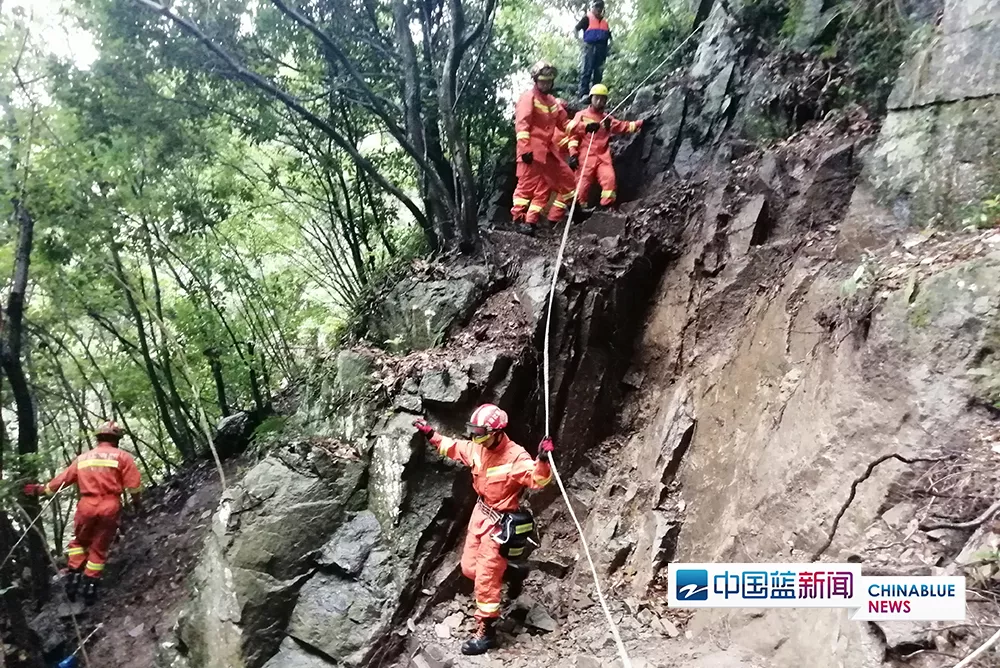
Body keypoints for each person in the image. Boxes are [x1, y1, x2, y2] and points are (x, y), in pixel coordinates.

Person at [414, 404, 554, 655]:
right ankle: (513, 571)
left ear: (498, 432)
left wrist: (542, 460)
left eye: (482, 433)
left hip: (500, 524)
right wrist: (430, 434)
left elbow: (538, 480)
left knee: (485, 578)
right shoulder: (477, 448)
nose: (476, 438)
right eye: (474, 432)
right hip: (480, 516)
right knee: (469, 568)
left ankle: (486, 632)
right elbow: (454, 447)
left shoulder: (515, 456)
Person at [23, 420, 142, 605]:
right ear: (116, 438)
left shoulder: (83, 458)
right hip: (110, 506)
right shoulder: (123, 457)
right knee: (99, 546)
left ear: (98, 437)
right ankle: (90, 586)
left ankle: (73, 577)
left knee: (79, 542)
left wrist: (40, 490)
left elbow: (61, 481)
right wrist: (137, 506)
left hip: (86, 505)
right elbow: (133, 486)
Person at [510, 61, 577, 236]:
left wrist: (586, 127)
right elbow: (522, 125)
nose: (546, 84)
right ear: (536, 80)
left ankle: (576, 211)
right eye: (543, 80)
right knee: (526, 186)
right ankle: (518, 220)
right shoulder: (528, 97)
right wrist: (524, 150)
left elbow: (565, 123)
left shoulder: (553, 102)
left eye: (549, 81)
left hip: (548, 152)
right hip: (531, 152)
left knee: (567, 176)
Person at [566, 83, 643, 209]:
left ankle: (606, 207)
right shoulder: (581, 115)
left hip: (603, 157)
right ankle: (579, 212)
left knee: (609, 180)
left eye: (602, 98)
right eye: (597, 97)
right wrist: (573, 154)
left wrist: (641, 123)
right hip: (586, 155)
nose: (599, 101)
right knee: (582, 184)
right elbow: (573, 136)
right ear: (591, 98)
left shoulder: (607, 119)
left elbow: (623, 126)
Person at [576, 0, 612, 100]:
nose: (599, 9)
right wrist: (580, 42)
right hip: (589, 47)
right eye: (597, 7)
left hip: (602, 48)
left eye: (600, 7)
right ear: (593, 7)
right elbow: (576, 29)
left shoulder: (605, 22)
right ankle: (583, 93)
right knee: (587, 70)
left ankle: (595, 94)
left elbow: (609, 36)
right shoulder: (586, 19)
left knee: (599, 71)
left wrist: (610, 47)